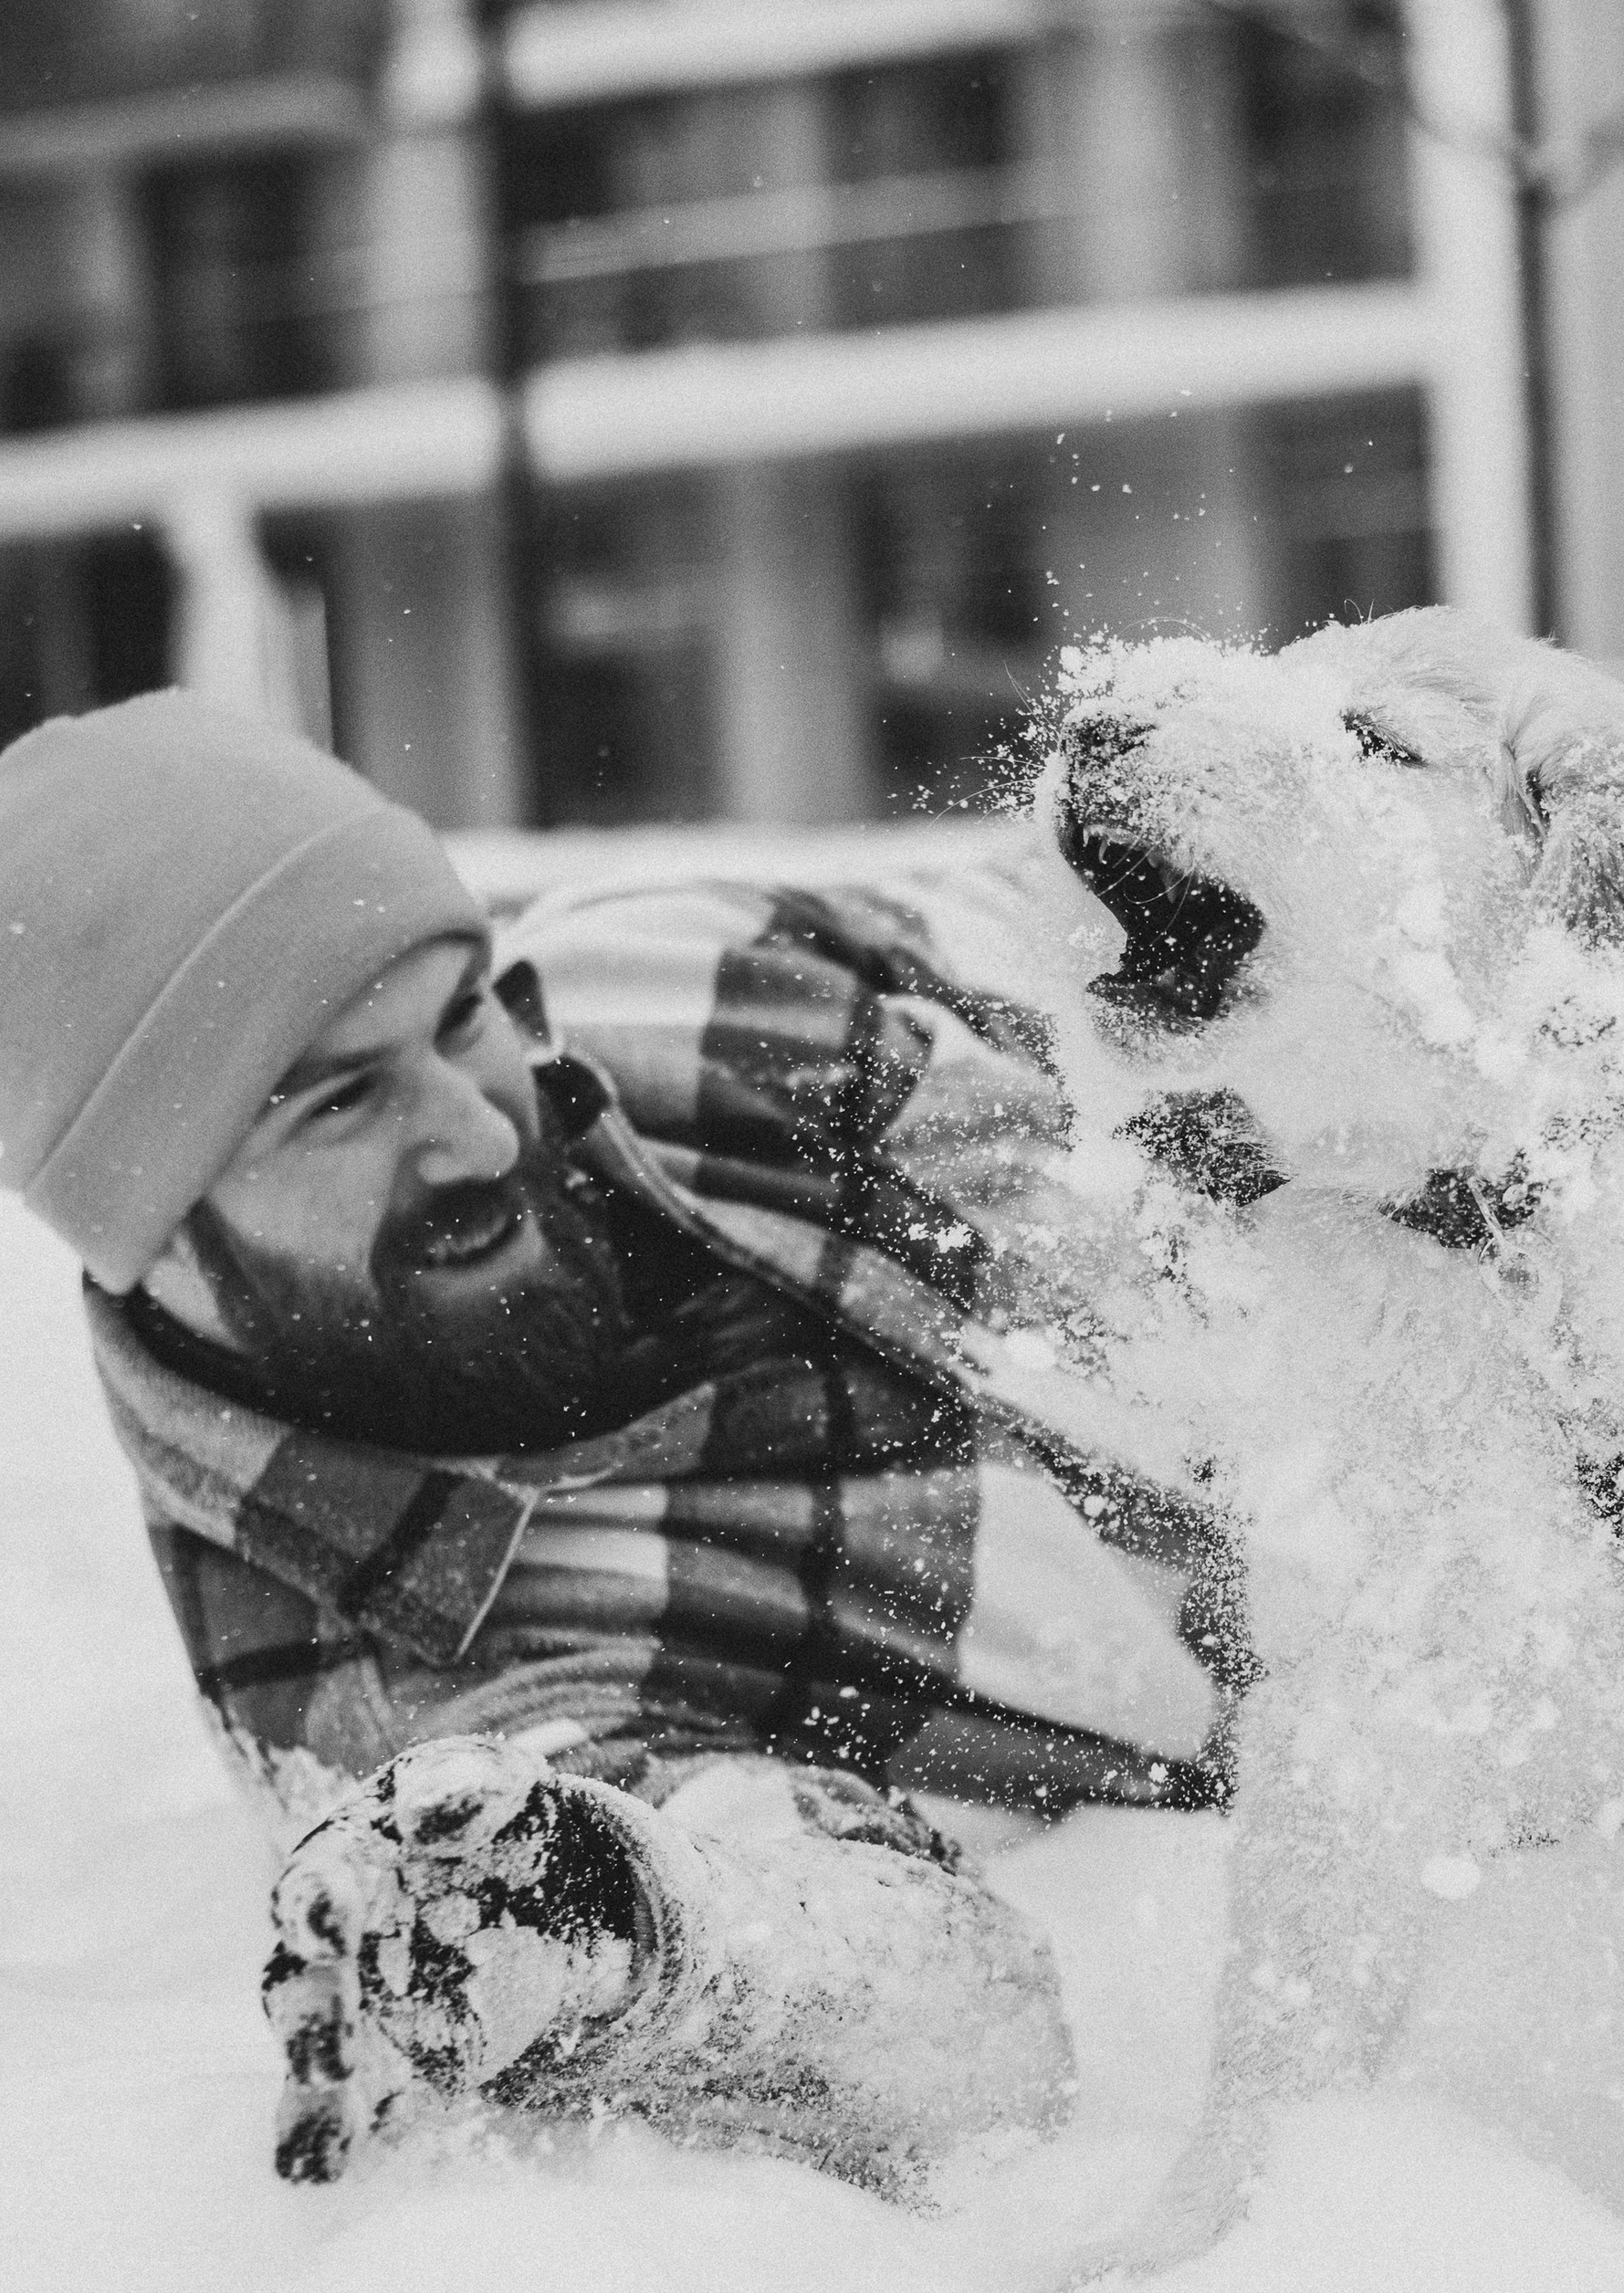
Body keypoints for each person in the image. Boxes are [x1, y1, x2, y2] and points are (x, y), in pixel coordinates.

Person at [0, 694, 1245, 2188]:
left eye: (459, 1012)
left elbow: (1158, 962)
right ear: (157, 1232)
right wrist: (623, 1933)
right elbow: (954, 2033)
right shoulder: (413, 1707)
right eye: (338, 1101)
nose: (472, 1126)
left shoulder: (700, 978)